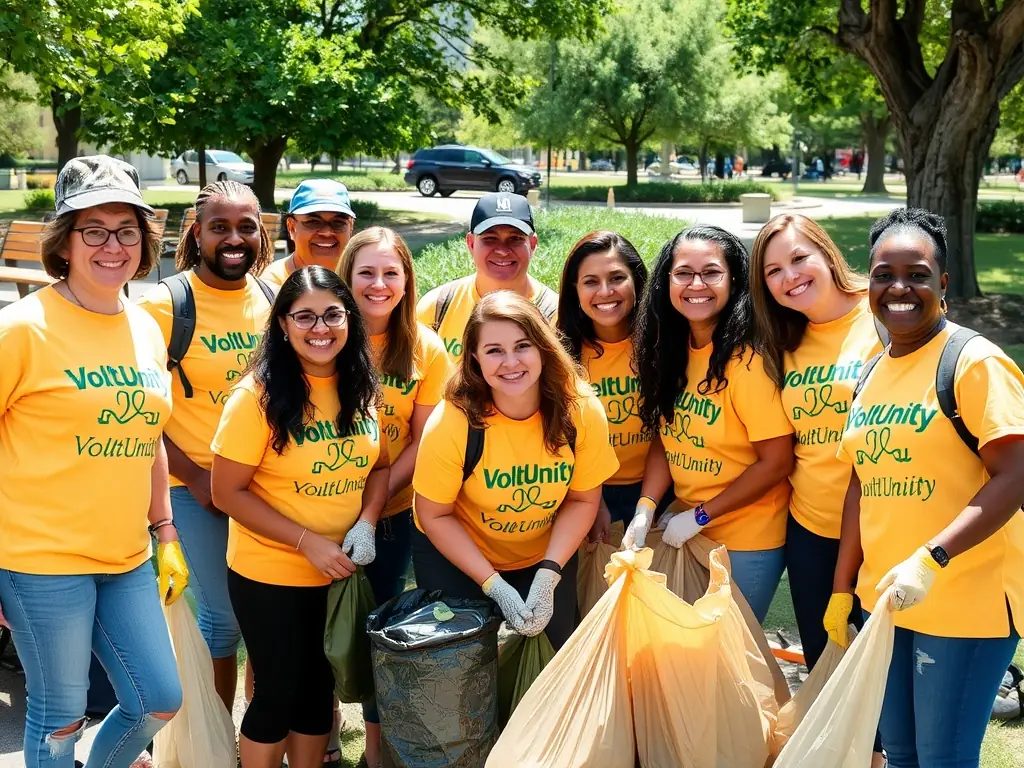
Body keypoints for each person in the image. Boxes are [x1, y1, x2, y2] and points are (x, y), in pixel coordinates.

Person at [0, 155, 186, 767]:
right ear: (65, 240)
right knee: (60, 720)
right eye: (94, 230)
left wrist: (165, 531)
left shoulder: (146, 328)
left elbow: (149, 433)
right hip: (40, 562)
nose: (113, 245)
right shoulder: (21, 329)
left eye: (127, 229)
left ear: (145, 239)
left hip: (126, 555)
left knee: (157, 699)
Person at [830, 209, 1024, 768]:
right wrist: (847, 588)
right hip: (888, 601)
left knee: (944, 757)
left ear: (943, 283)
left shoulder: (973, 361)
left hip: (966, 597)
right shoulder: (871, 372)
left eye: (916, 274)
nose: (898, 288)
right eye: (883, 273)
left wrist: (932, 558)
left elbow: (1015, 473)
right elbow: (861, 486)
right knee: (903, 754)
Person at [211, 266, 388, 768]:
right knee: (276, 693)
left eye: (333, 314)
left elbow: (382, 466)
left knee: (317, 691)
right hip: (269, 573)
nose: (320, 328)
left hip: (337, 573)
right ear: (283, 325)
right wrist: (306, 541)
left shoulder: (360, 386)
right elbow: (227, 492)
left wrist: (367, 521)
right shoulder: (255, 398)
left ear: (349, 319)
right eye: (304, 316)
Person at [413, 291, 619, 649]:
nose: (511, 362)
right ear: (475, 358)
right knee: (466, 680)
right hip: (459, 559)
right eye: (494, 350)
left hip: (544, 556)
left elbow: (584, 500)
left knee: (551, 663)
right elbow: (433, 514)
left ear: (543, 347)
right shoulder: (452, 421)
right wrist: (493, 585)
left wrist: (549, 574)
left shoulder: (580, 409)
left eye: (523, 345)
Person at [137, 179, 275, 711]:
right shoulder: (161, 306)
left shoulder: (271, 300)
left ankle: (259, 729)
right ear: (197, 234)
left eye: (246, 227)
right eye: (220, 227)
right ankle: (213, 739)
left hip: (264, 489)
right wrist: (197, 479)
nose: (234, 238)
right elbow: (141, 414)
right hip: (192, 490)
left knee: (266, 616)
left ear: (261, 235)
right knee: (221, 619)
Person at [627, 226, 795, 623]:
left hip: (745, 542)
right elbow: (667, 438)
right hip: (691, 530)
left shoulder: (747, 361)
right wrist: (645, 509)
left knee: (728, 665)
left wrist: (700, 515)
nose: (696, 284)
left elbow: (776, 462)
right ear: (667, 280)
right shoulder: (671, 350)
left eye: (711, 273)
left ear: (733, 279)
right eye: (683, 272)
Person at [336, 227, 450, 767]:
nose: (378, 284)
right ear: (347, 278)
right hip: (317, 507)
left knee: (381, 630)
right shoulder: (324, 332)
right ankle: (322, 738)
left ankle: (375, 751)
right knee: (314, 630)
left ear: (407, 280)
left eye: (390, 273)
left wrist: (372, 511)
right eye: (366, 272)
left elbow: (424, 439)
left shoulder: (426, 347)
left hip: (392, 514)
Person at [748, 214, 882, 670]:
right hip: (810, 529)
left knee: (882, 676)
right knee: (825, 668)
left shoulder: (881, 313)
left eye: (799, 258)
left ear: (826, 252)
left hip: (882, 526)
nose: (790, 277)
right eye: (773, 271)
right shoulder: (781, 337)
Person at [556, 230, 669, 541]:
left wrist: (648, 505)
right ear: (575, 290)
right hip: (585, 493)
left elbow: (670, 430)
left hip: (659, 492)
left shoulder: (664, 344)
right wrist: (594, 501)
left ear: (637, 281)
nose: (605, 291)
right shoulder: (558, 353)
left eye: (617, 278)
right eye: (591, 281)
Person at [416, 192, 558, 360]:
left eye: (515, 238)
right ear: (471, 243)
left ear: (533, 244)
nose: (502, 250)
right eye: (490, 239)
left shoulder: (556, 314)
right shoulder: (436, 307)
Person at [261, 179, 356, 290]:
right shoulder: (272, 286)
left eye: (338, 223)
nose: (326, 232)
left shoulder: (363, 279)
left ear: (351, 227)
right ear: (291, 227)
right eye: (313, 222)